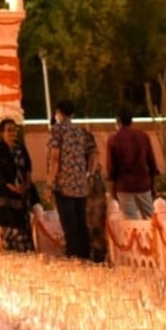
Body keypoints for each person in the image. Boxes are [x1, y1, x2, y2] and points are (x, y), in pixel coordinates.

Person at [45, 101, 96, 259]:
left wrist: (49, 184)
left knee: (69, 226)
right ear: (73, 114)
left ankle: (74, 258)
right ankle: (86, 256)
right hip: (80, 185)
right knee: (81, 224)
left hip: (63, 185)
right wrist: (88, 174)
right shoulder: (82, 132)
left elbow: (54, 159)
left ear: (58, 112)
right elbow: (93, 157)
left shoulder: (57, 130)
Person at [106, 108, 159, 220]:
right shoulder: (143, 136)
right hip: (143, 184)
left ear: (118, 121)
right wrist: (153, 186)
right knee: (150, 219)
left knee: (130, 220)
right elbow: (152, 163)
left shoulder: (113, 140)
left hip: (124, 186)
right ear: (131, 121)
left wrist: (112, 192)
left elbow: (111, 169)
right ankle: (152, 237)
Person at [0, 119, 36, 252]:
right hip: (6, 193)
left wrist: (26, 185)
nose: (12, 133)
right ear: (2, 133)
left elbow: (28, 166)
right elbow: (0, 172)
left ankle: (26, 253)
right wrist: (14, 188)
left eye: (14, 129)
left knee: (23, 224)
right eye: (9, 130)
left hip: (23, 192)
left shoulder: (20, 147)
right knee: (9, 225)